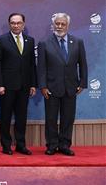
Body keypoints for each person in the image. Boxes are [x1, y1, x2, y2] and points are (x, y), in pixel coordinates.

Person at [37, 12, 87, 156]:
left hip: (71, 87)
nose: (59, 26)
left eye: (62, 24)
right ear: (53, 25)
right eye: (57, 23)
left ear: (68, 25)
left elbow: (82, 64)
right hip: (51, 88)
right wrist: (43, 86)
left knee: (68, 118)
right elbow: (41, 67)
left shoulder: (77, 42)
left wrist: (82, 83)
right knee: (51, 118)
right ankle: (52, 145)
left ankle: (65, 145)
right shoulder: (44, 43)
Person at [0, 13, 36, 155]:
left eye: (18, 23)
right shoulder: (1, 40)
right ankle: (6, 145)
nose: (16, 25)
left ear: (23, 24)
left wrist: (32, 84)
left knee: (21, 117)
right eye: (13, 23)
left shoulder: (30, 40)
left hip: (24, 86)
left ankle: (20, 145)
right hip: (7, 86)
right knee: (5, 116)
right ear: (9, 24)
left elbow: (32, 65)